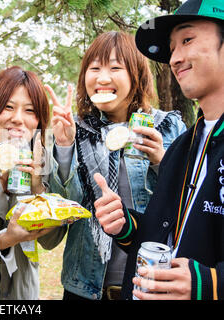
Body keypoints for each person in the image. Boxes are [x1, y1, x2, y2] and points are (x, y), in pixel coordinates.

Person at [94, 0, 224, 300]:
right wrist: (125, 224)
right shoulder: (181, 146)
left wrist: (210, 284)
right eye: (172, 47)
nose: (175, 58)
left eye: (187, 40)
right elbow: (164, 230)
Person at [47, 31, 186, 300]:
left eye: (115, 67)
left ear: (136, 75)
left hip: (150, 282)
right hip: (83, 286)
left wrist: (160, 161)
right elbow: (66, 207)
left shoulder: (168, 127)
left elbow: (183, 205)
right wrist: (64, 147)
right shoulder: (76, 129)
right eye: (94, 68)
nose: (102, 78)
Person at [0, 66, 64, 300]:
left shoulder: (43, 161)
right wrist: (6, 238)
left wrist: (38, 186)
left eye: (30, 111)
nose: (18, 119)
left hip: (23, 294)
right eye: (8, 107)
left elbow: (50, 241)